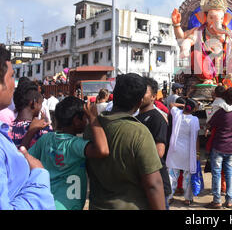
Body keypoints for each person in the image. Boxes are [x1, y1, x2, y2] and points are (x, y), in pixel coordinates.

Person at [83, 73, 165, 210]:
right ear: (139, 103)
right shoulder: (139, 132)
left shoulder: (92, 127)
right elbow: (153, 184)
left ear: (113, 96)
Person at [29, 97, 109, 210]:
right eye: (85, 118)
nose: (86, 122)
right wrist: (94, 118)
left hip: (45, 203)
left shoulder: (45, 139)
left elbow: (24, 156)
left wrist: (31, 132)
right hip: (67, 206)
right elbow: (103, 150)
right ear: (76, 120)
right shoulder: (74, 144)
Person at [0, 45, 55, 210]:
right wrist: (39, 175)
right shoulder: (42, 131)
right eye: (11, 76)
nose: (13, 83)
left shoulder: (8, 129)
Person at [136, 77, 171, 210]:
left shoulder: (157, 118)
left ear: (153, 96)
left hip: (157, 182)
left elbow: (159, 152)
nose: (139, 95)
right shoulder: (136, 118)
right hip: (142, 182)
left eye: (143, 92)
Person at [206, 88, 232, 209]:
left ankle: (217, 201)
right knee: (229, 173)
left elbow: (210, 123)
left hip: (219, 146)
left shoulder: (220, 113)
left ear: (224, 98)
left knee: (216, 173)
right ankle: (229, 200)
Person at [166, 98, 200, 206]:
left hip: (175, 150)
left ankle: (169, 197)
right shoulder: (194, 120)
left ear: (185, 106)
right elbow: (197, 138)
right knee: (187, 176)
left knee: (171, 175)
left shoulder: (177, 114)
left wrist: (182, 104)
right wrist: (197, 153)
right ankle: (187, 198)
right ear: (193, 109)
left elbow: (171, 104)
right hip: (188, 152)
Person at [10, 81, 52, 149]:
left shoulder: (5, 129)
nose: (41, 107)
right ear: (34, 103)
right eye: (40, 103)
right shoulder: (43, 129)